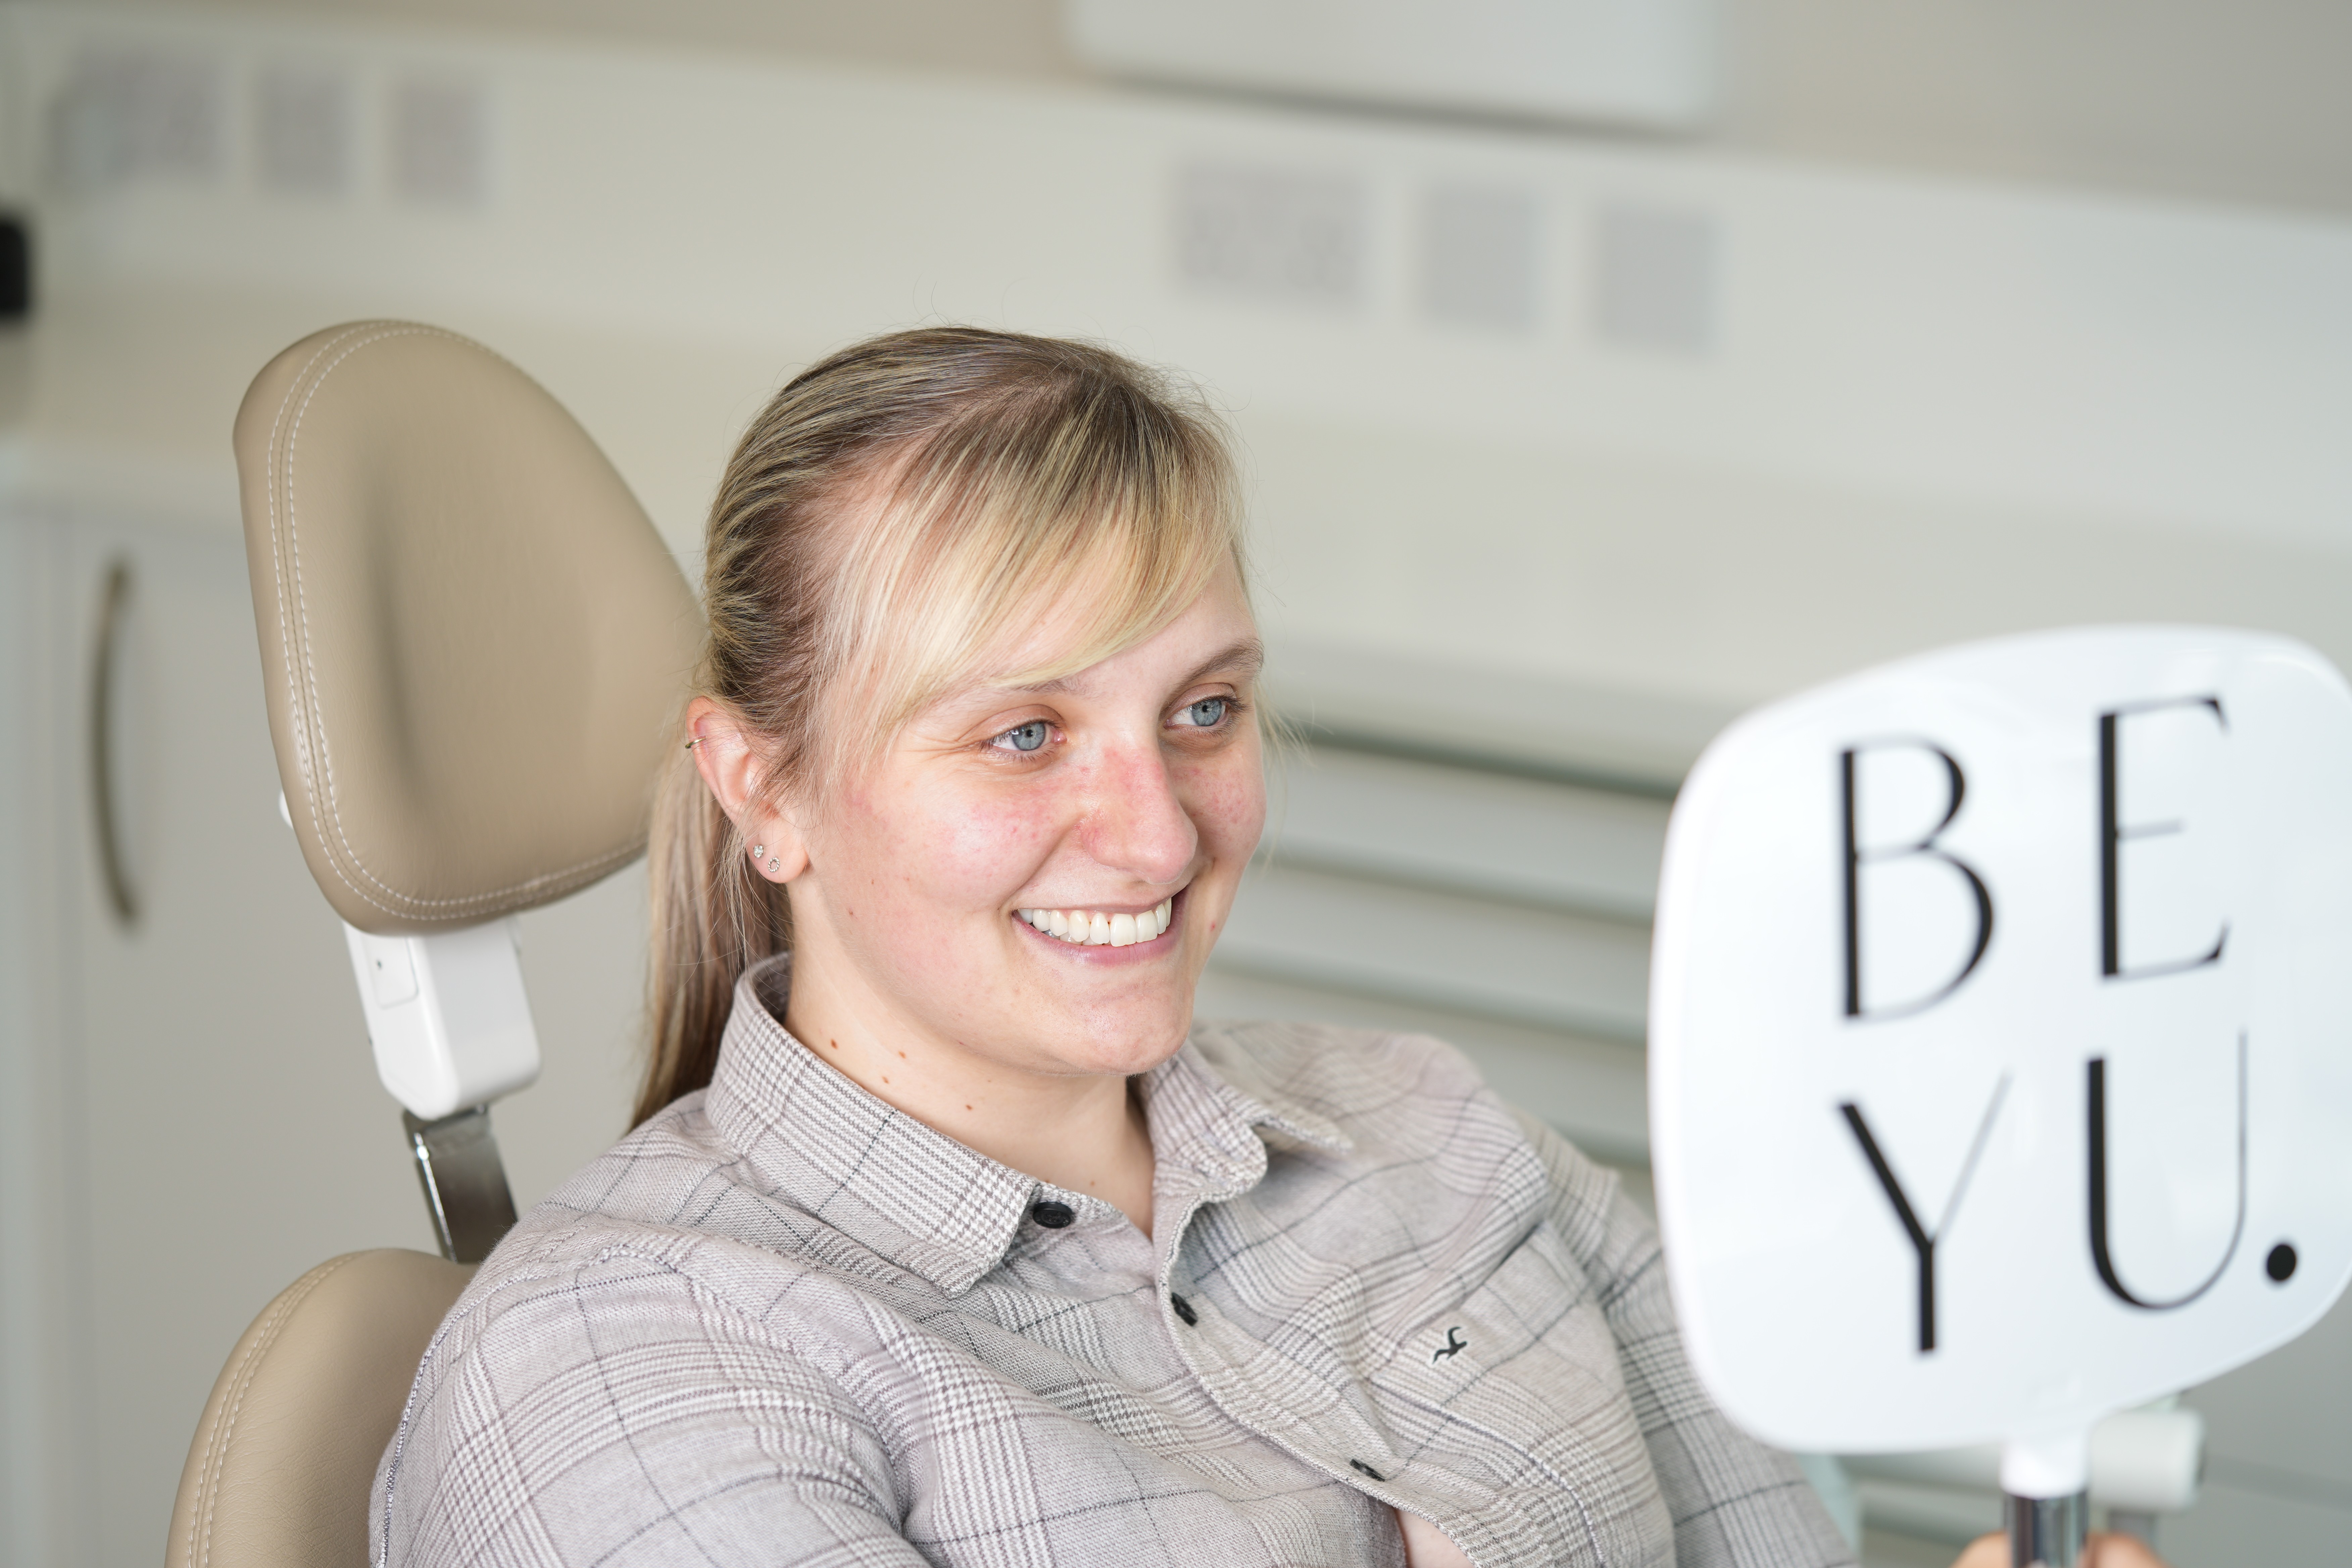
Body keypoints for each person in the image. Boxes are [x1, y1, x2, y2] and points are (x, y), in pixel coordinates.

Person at [372, 328, 2173, 1568]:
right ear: (763, 788)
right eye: (1025, 734)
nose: (1161, 836)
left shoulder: (1435, 1135)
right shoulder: (626, 1371)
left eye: (1205, 711)